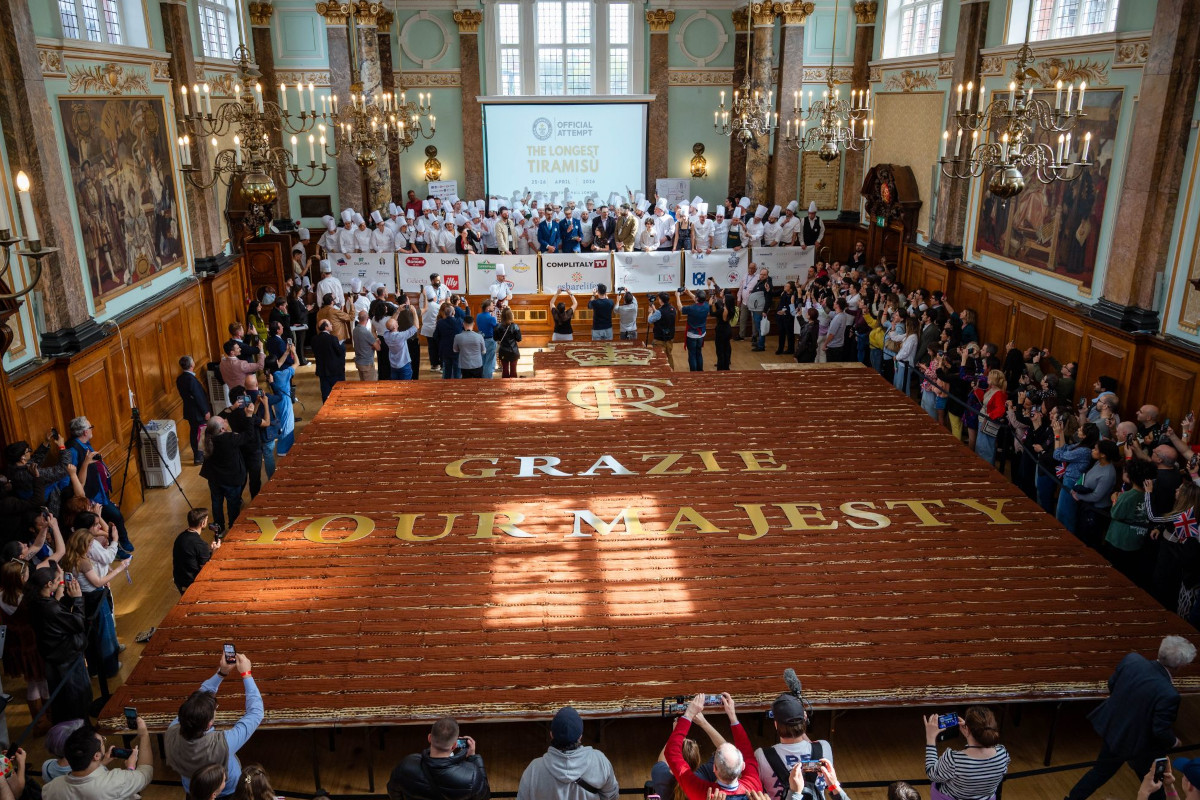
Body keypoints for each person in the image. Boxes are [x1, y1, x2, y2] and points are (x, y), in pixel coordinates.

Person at [1066, 636, 1197, 800]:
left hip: (1117, 731)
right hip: (1144, 747)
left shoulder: (1132, 660)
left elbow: (1112, 685)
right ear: (1179, 666)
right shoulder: (1169, 694)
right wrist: (1174, 741)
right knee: (1154, 783)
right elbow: (1160, 730)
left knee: (1099, 772)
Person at [165, 651, 264, 798]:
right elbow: (256, 713)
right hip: (227, 792)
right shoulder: (223, 744)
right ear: (209, 724)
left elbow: (195, 701)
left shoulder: (172, 731)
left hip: (192, 791)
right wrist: (246, 674)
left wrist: (221, 673)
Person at [26, 565, 91, 723]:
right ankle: (82, 730)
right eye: (57, 580)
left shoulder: (36, 602)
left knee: (65, 701)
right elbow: (77, 623)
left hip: (55, 659)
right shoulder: (49, 608)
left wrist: (68, 597)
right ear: (49, 584)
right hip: (66, 660)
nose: (59, 582)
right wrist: (77, 599)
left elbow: (59, 615)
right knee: (77, 700)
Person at [665, 693, 760, 800]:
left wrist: (689, 714)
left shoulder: (701, 791)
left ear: (714, 768)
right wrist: (733, 717)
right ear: (743, 766)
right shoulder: (753, 788)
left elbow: (671, 752)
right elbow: (748, 753)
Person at [64, 417, 134, 557]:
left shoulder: (85, 443)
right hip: (88, 496)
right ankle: (116, 549)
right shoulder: (73, 450)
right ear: (85, 432)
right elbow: (75, 479)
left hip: (99, 491)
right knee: (101, 524)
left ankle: (123, 541)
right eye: (91, 427)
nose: (91, 430)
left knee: (116, 516)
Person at [517, 706, 618, 800]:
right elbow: (612, 796)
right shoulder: (599, 761)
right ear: (580, 736)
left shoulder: (534, 769)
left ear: (551, 734)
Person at [43, 717, 153, 800]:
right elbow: (145, 773)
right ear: (96, 756)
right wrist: (144, 735)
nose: (104, 742)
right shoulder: (116, 781)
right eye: (103, 741)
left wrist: (101, 764)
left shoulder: (50, 788)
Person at [754, 692, 833, 800]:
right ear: (805, 719)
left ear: (776, 724)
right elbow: (812, 750)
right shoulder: (824, 747)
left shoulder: (762, 755)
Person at [387, 718, 490, 800]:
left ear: (429, 738)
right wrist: (473, 757)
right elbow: (484, 796)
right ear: (454, 745)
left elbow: (393, 791)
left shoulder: (406, 765)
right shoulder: (471, 775)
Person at [923, 707, 1009, 800]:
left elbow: (931, 774)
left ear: (967, 728)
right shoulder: (1002, 754)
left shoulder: (953, 759)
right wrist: (969, 735)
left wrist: (930, 737)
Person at [199, 416, 247, 535]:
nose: (226, 420)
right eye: (223, 421)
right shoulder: (229, 439)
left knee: (216, 503)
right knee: (233, 504)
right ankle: (233, 527)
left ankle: (219, 528)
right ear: (221, 429)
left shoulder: (208, 438)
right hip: (230, 479)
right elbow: (248, 436)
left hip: (215, 478)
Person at [173, 508, 220, 594]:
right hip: (192, 584)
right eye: (206, 520)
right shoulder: (200, 544)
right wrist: (214, 552)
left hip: (179, 580)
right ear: (202, 523)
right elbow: (205, 569)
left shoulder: (180, 537)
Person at [177, 356, 212, 466]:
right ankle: (199, 456)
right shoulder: (191, 379)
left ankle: (198, 455)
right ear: (192, 365)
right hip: (198, 412)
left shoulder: (180, 378)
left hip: (189, 411)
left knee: (194, 433)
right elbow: (198, 397)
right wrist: (205, 411)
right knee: (200, 434)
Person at [379, 309, 421, 380]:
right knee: (405, 386)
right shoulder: (400, 336)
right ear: (395, 326)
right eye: (396, 322)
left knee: (395, 386)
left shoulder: (386, 335)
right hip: (404, 365)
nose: (397, 321)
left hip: (393, 365)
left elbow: (391, 323)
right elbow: (416, 326)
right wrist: (414, 311)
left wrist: (398, 311)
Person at [311, 320, 346, 402]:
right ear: (326, 327)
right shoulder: (332, 339)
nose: (332, 325)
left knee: (325, 393)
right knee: (338, 392)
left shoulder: (314, 339)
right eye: (330, 324)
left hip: (322, 370)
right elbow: (339, 352)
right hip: (334, 371)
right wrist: (342, 346)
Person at [678, 289, 710, 372]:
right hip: (701, 334)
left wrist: (677, 296)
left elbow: (680, 308)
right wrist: (688, 292)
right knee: (699, 352)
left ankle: (694, 373)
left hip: (692, 334)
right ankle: (700, 371)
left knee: (692, 354)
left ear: (696, 298)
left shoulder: (692, 308)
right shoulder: (706, 305)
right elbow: (698, 300)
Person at [648, 293, 677, 370]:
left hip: (659, 339)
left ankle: (662, 373)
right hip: (670, 337)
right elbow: (664, 316)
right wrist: (655, 310)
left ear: (660, 300)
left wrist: (651, 312)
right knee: (669, 355)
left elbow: (650, 320)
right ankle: (671, 371)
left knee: (659, 357)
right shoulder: (673, 309)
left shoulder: (659, 312)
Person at [495, 308, 523, 378]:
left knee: (505, 370)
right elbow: (519, 339)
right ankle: (513, 387)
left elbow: (495, 338)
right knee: (513, 370)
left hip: (503, 351)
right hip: (513, 350)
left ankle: (505, 386)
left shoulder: (498, 326)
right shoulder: (515, 326)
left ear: (502, 316)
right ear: (511, 316)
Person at [353, 311, 380, 382]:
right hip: (367, 364)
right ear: (367, 319)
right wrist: (377, 342)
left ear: (358, 318)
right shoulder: (366, 332)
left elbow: (362, 344)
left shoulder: (355, 330)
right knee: (371, 386)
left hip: (359, 362)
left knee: (363, 384)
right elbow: (378, 348)